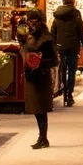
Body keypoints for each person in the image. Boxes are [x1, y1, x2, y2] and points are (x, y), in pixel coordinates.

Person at [22, 9, 57, 148]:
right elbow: (25, 49)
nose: (31, 23)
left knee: (40, 107)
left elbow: (55, 60)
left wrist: (39, 62)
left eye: (33, 20)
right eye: (29, 20)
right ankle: (42, 137)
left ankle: (43, 138)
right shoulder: (28, 34)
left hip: (41, 75)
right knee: (36, 108)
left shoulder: (46, 37)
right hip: (31, 74)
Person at [51, 0, 83, 106]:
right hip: (73, 46)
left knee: (62, 68)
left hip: (60, 46)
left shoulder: (57, 16)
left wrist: (54, 45)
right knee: (71, 70)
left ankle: (63, 89)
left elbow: (53, 31)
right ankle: (69, 94)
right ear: (73, 3)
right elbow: (81, 30)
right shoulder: (76, 15)